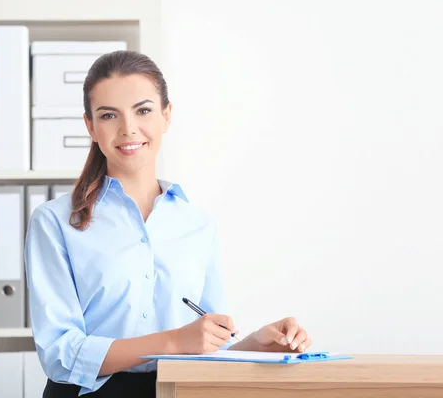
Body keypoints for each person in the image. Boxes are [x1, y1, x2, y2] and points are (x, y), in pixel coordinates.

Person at [24, 50, 312, 398]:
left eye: (143, 110)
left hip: (176, 391)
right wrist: (176, 341)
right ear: (90, 126)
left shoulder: (198, 226)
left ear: (166, 116)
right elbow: (60, 355)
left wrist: (257, 346)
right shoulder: (54, 222)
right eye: (109, 115)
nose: (128, 128)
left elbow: (204, 351)